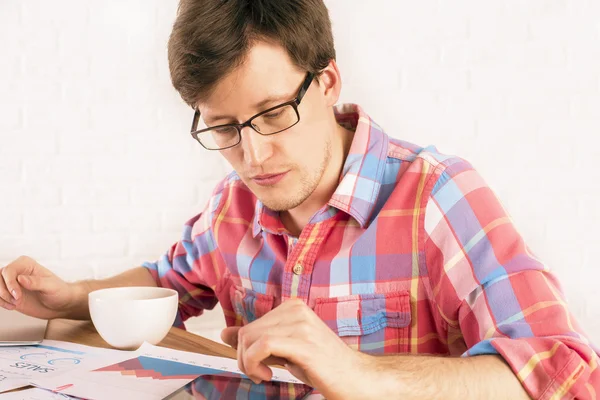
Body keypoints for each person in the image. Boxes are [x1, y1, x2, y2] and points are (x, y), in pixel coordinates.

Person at [1, 1, 598, 398]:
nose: (253, 158)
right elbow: (167, 284)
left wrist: (358, 373)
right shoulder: (230, 208)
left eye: (272, 114)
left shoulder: (437, 196)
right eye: (225, 129)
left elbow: (565, 371)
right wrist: (74, 296)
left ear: (328, 81)